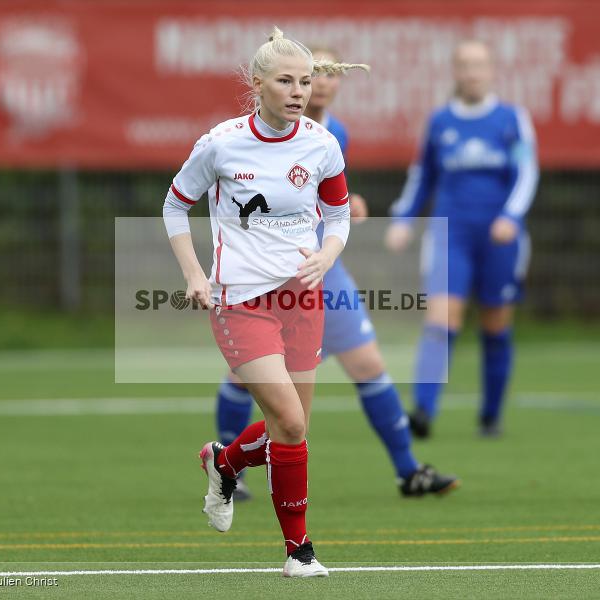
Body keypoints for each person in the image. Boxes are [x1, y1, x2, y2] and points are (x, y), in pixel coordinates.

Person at [163, 28, 367, 577]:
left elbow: (340, 214)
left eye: (306, 81)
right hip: (239, 299)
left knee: (293, 426)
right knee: (289, 421)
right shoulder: (221, 143)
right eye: (286, 81)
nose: (299, 91)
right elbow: (175, 205)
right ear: (257, 84)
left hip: (302, 297)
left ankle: (223, 463)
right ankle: (299, 552)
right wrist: (193, 274)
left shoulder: (322, 144)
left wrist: (328, 252)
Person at [214, 45, 459, 502]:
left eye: (325, 74)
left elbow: (326, 195)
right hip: (269, 278)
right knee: (243, 376)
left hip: (325, 273)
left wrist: (350, 207)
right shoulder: (254, 135)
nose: (319, 82)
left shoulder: (333, 133)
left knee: (368, 364)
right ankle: (232, 470)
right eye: (311, 74)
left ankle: (408, 471)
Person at [386, 40, 538, 439]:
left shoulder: (511, 119)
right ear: (455, 71)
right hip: (450, 236)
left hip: (500, 238)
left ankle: (490, 416)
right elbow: (423, 177)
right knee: (441, 319)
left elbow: (527, 173)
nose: (472, 73)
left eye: (479, 65)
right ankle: (423, 410)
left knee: (495, 323)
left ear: (491, 71)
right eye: (465, 65)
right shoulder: (439, 122)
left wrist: (510, 216)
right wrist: (403, 218)